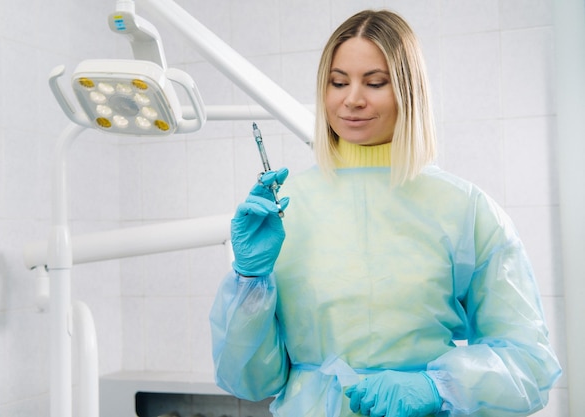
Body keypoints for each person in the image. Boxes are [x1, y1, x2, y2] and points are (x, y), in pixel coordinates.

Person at [210, 9, 562, 417]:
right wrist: (249, 280)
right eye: (338, 82)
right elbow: (248, 381)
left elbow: (528, 365)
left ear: (409, 91)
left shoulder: (464, 208)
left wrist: (435, 387)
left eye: (375, 83)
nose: (352, 99)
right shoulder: (282, 209)